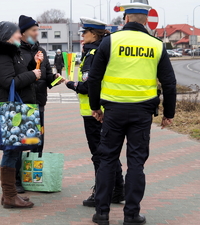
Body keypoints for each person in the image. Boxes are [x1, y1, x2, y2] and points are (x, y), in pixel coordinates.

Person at [88, 3, 176, 225]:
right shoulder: (156, 45)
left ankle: (102, 213)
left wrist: (95, 106)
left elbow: (94, 77)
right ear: (145, 21)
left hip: (114, 112)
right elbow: (169, 83)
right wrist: (169, 113)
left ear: (125, 19)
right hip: (142, 113)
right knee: (136, 162)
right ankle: (131, 215)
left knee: (107, 159)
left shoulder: (110, 41)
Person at [0, 21, 45, 208]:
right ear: (9, 35)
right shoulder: (1, 55)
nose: (20, 35)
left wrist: (34, 63)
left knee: (15, 149)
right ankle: (9, 196)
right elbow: (9, 82)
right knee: (11, 151)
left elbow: (18, 73)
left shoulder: (12, 53)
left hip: (18, 108)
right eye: (18, 33)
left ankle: (9, 194)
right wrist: (33, 75)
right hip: (11, 109)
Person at [64, 17, 125, 208]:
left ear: (94, 33)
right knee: (109, 151)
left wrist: (70, 84)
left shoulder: (93, 53)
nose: (82, 36)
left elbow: (88, 85)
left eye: (85, 32)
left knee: (99, 154)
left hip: (94, 112)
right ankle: (117, 190)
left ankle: (101, 192)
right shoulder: (108, 49)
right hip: (110, 107)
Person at [14, 15, 65, 193]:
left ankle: (32, 177)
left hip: (39, 103)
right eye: (34, 30)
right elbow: (18, 78)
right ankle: (16, 179)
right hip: (22, 104)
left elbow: (47, 77)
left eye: (37, 30)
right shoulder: (16, 52)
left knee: (38, 141)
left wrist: (55, 80)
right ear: (23, 32)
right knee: (21, 142)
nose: (37, 34)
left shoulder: (41, 51)